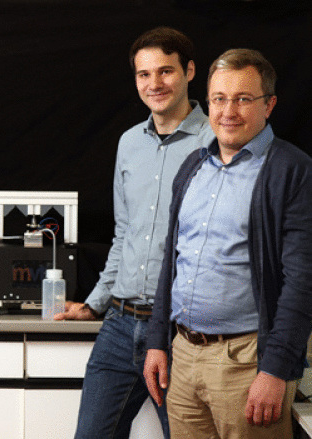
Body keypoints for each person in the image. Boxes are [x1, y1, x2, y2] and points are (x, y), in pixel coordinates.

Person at [143, 48, 312, 439]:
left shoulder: (293, 171)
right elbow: (173, 260)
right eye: (219, 98)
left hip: (246, 364)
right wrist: (157, 343)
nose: (228, 111)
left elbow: (303, 282)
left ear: (269, 105)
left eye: (243, 99)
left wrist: (274, 370)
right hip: (183, 359)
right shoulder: (193, 167)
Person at [54, 26, 214, 438]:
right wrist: (95, 303)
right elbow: (123, 235)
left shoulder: (217, 141)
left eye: (166, 71)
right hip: (121, 325)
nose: (154, 84)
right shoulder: (129, 143)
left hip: (181, 333)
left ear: (190, 71)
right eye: (144, 74)